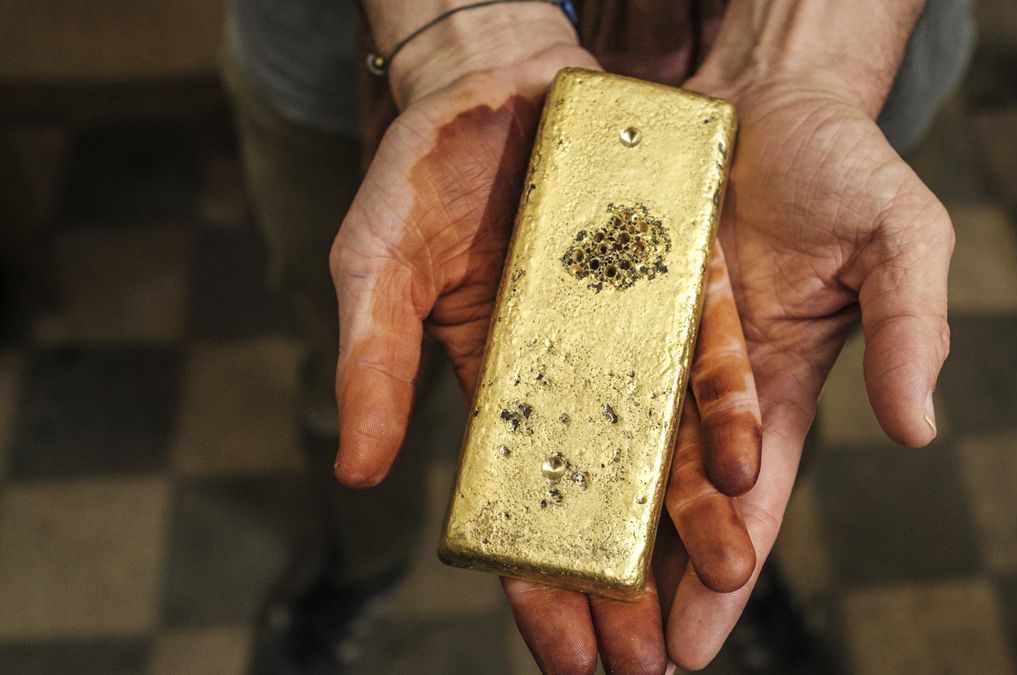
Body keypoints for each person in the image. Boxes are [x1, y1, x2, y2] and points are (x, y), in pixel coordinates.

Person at [225, 0, 974, 672]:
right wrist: (458, 26)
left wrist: (811, 53)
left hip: (850, 53)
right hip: (379, 48)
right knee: (356, 364)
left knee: (754, 403)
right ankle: (362, 560)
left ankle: (746, 572)